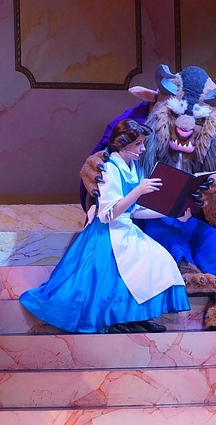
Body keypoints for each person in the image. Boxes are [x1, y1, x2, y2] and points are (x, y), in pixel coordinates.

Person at [21, 119, 190, 334]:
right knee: (117, 274)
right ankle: (118, 318)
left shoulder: (134, 168)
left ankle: (138, 316)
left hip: (126, 228)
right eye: (138, 144)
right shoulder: (110, 168)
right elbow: (108, 213)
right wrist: (138, 191)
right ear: (123, 144)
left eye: (142, 144)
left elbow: (134, 210)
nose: (143, 149)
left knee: (159, 259)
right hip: (107, 232)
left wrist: (172, 214)